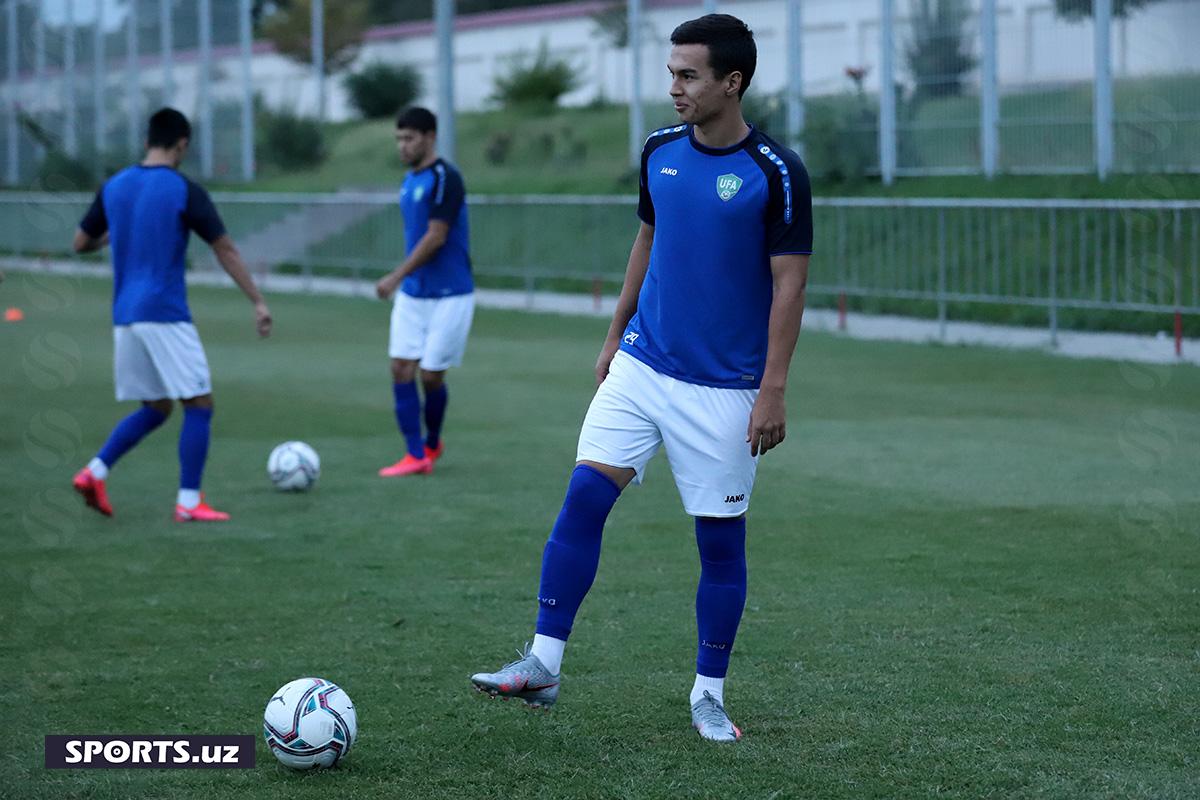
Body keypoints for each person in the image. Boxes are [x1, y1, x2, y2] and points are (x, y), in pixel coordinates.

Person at [469, 14, 813, 742]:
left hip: (725, 389)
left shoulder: (776, 174)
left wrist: (774, 389)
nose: (675, 86)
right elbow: (648, 239)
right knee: (584, 498)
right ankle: (543, 661)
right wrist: (613, 334)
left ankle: (708, 695)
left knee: (719, 546)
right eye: (671, 72)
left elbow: (789, 288)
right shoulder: (659, 151)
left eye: (689, 74)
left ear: (733, 81)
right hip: (641, 364)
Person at [71, 107, 272, 522]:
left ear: (146, 141)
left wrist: (119, 232)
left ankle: (95, 472)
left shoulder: (114, 186)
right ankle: (189, 501)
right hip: (163, 312)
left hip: (125, 315)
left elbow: (80, 243)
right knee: (199, 403)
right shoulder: (184, 190)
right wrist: (257, 300)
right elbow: (225, 249)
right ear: (183, 145)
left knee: (158, 406)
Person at [375, 107, 475, 477]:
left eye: (409, 138)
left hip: (451, 293)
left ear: (430, 137)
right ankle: (414, 454)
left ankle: (432, 442)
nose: (402, 146)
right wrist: (405, 282)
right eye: (398, 139)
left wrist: (395, 275)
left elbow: (436, 236)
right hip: (415, 295)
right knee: (401, 368)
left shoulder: (445, 177)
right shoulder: (408, 180)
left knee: (431, 375)